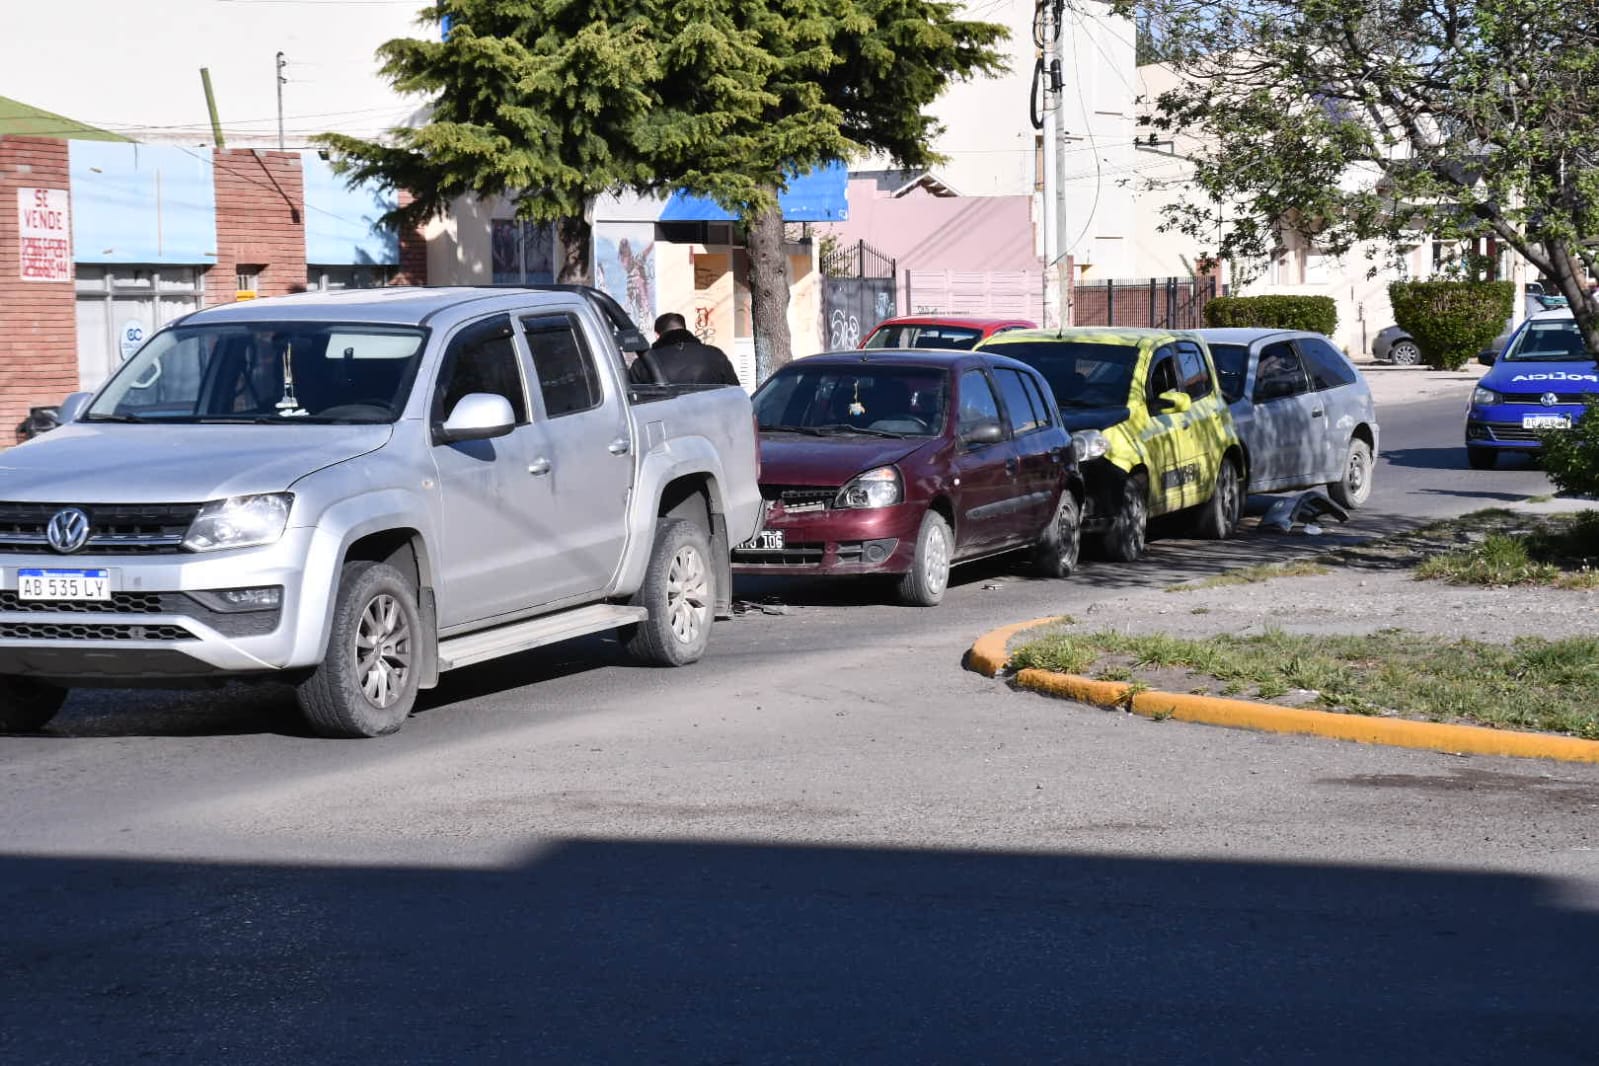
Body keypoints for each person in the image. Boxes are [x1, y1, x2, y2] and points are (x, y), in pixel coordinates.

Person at [628, 312, 741, 386]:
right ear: (685, 329)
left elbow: (631, 401)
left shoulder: (643, 363)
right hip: (713, 420)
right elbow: (734, 392)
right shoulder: (716, 355)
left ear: (657, 335)